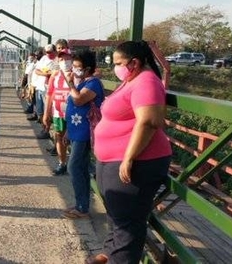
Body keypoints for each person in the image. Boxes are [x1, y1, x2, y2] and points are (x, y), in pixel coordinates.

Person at [87, 40, 171, 264]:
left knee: (128, 221)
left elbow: (149, 122)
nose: (115, 67)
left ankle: (121, 260)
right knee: (116, 213)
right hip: (111, 159)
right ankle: (110, 253)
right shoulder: (131, 80)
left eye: (118, 63)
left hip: (138, 160)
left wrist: (129, 157)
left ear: (134, 62)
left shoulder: (147, 82)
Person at [61, 51, 104, 219]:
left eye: (78, 67)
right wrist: (68, 131)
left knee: (74, 167)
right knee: (81, 168)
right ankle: (82, 204)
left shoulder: (93, 84)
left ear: (87, 69)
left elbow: (78, 100)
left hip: (85, 133)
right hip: (76, 131)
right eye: (74, 66)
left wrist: (71, 84)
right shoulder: (84, 82)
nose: (74, 69)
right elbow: (74, 108)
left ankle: (82, 207)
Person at [43, 47, 73, 175]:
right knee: (59, 136)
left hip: (74, 115)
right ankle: (62, 163)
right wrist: (46, 113)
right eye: (61, 58)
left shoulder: (77, 74)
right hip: (58, 112)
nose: (64, 61)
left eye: (67, 58)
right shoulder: (55, 75)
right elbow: (49, 94)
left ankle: (76, 165)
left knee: (74, 139)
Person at [31, 44, 57, 139]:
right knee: (40, 111)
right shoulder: (44, 59)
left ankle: (47, 130)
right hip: (40, 87)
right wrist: (45, 73)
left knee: (48, 111)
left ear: (55, 51)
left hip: (49, 89)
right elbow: (37, 71)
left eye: (50, 52)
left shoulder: (58, 60)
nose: (48, 54)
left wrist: (50, 73)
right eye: (47, 52)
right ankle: (44, 128)